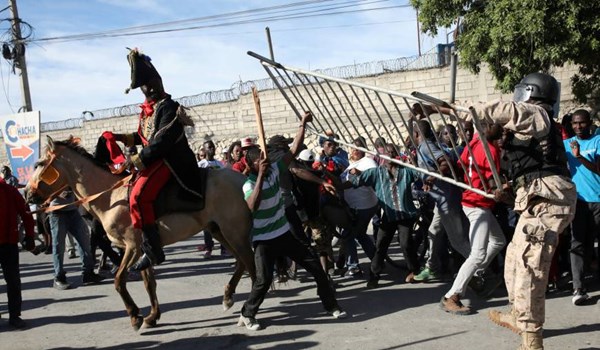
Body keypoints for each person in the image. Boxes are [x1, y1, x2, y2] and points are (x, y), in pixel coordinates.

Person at [416, 72, 577, 349]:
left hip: (548, 200)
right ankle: (518, 314)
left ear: (529, 92)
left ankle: (531, 337)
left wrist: (447, 107)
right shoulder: (523, 133)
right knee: (514, 260)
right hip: (535, 200)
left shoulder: (537, 113)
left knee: (529, 267)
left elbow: (500, 110)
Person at [238, 145, 346, 331]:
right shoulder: (249, 184)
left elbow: (293, 151)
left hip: (284, 234)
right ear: (253, 164)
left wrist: (303, 125)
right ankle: (247, 313)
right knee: (264, 281)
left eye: (266, 159)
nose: (266, 163)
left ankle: (331, 306)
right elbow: (252, 206)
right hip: (263, 240)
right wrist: (261, 177)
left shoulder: (274, 171)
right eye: (260, 161)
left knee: (317, 270)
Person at [113, 48, 203, 271]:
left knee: (138, 197)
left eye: (153, 83)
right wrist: (119, 137)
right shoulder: (147, 111)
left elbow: (161, 142)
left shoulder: (169, 107)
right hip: (156, 158)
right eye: (146, 86)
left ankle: (153, 250)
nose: (150, 88)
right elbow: (144, 137)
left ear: (160, 82)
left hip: (171, 161)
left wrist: (135, 160)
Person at [440, 122, 506, 315]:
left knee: (498, 241)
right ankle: (452, 296)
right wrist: (500, 190)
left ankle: (473, 274)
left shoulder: (475, 142)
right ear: (485, 127)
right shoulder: (490, 149)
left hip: (473, 201)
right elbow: (493, 183)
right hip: (478, 204)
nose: (501, 129)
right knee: (477, 254)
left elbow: (460, 166)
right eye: (497, 126)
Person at [346, 143, 421, 288]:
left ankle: (414, 270)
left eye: (393, 153)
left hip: (405, 215)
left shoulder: (406, 171)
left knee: (405, 242)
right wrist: (336, 184)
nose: (391, 155)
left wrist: (415, 164)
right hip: (388, 216)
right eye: (388, 153)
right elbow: (355, 181)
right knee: (381, 244)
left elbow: (420, 174)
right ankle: (374, 275)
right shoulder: (376, 173)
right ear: (382, 156)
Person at [411, 119, 470, 283]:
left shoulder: (426, 147)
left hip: (447, 200)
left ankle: (482, 269)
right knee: (434, 232)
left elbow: (445, 162)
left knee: (458, 241)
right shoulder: (426, 147)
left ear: (416, 134)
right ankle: (432, 267)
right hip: (442, 200)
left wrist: (430, 179)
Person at [564, 109, 600, 305]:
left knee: (592, 243)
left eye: (582, 123)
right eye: (575, 123)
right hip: (578, 202)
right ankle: (578, 287)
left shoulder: (598, 141)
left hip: (598, 201)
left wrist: (579, 157)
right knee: (577, 244)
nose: (578, 127)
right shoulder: (565, 145)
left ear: (590, 123)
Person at [48, 189, 105, 290]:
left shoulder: (68, 173)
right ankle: (59, 277)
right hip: (57, 212)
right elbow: (42, 195)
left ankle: (88, 273)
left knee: (84, 242)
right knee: (58, 246)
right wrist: (57, 193)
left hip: (73, 211)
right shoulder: (48, 174)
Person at [338, 137, 378, 277]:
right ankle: (376, 260)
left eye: (358, 147)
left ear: (364, 149)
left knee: (348, 235)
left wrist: (339, 186)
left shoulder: (368, 162)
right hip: (356, 205)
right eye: (353, 147)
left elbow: (370, 178)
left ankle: (354, 267)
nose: (355, 150)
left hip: (362, 206)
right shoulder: (353, 163)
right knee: (360, 234)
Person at [0, 179, 35, 329]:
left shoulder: (9, 190)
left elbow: (25, 213)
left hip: (9, 243)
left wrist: (30, 236)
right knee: (13, 281)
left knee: (13, 281)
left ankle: (15, 315)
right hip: (8, 242)